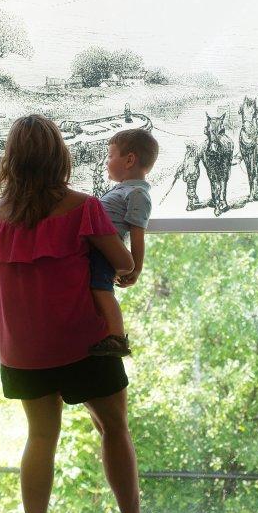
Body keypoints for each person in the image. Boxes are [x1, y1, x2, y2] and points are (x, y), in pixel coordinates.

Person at [0, 115, 180, 513]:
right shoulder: (84, 206)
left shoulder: (1, 215)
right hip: (82, 341)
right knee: (113, 428)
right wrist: (130, 262)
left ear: (11, 159)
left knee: (40, 437)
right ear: (60, 157)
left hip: (22, 348)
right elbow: (124, 263)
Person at [88, 128, 159, 357]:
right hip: (97, 249)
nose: (106, 161)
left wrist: (136, 269)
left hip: (105, 252)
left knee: (101, 289)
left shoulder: (137, 193)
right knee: (97, 289)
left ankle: (117, 337)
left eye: (110, 156)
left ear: (129, 160)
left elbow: (138, 234)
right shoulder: (123, 190)